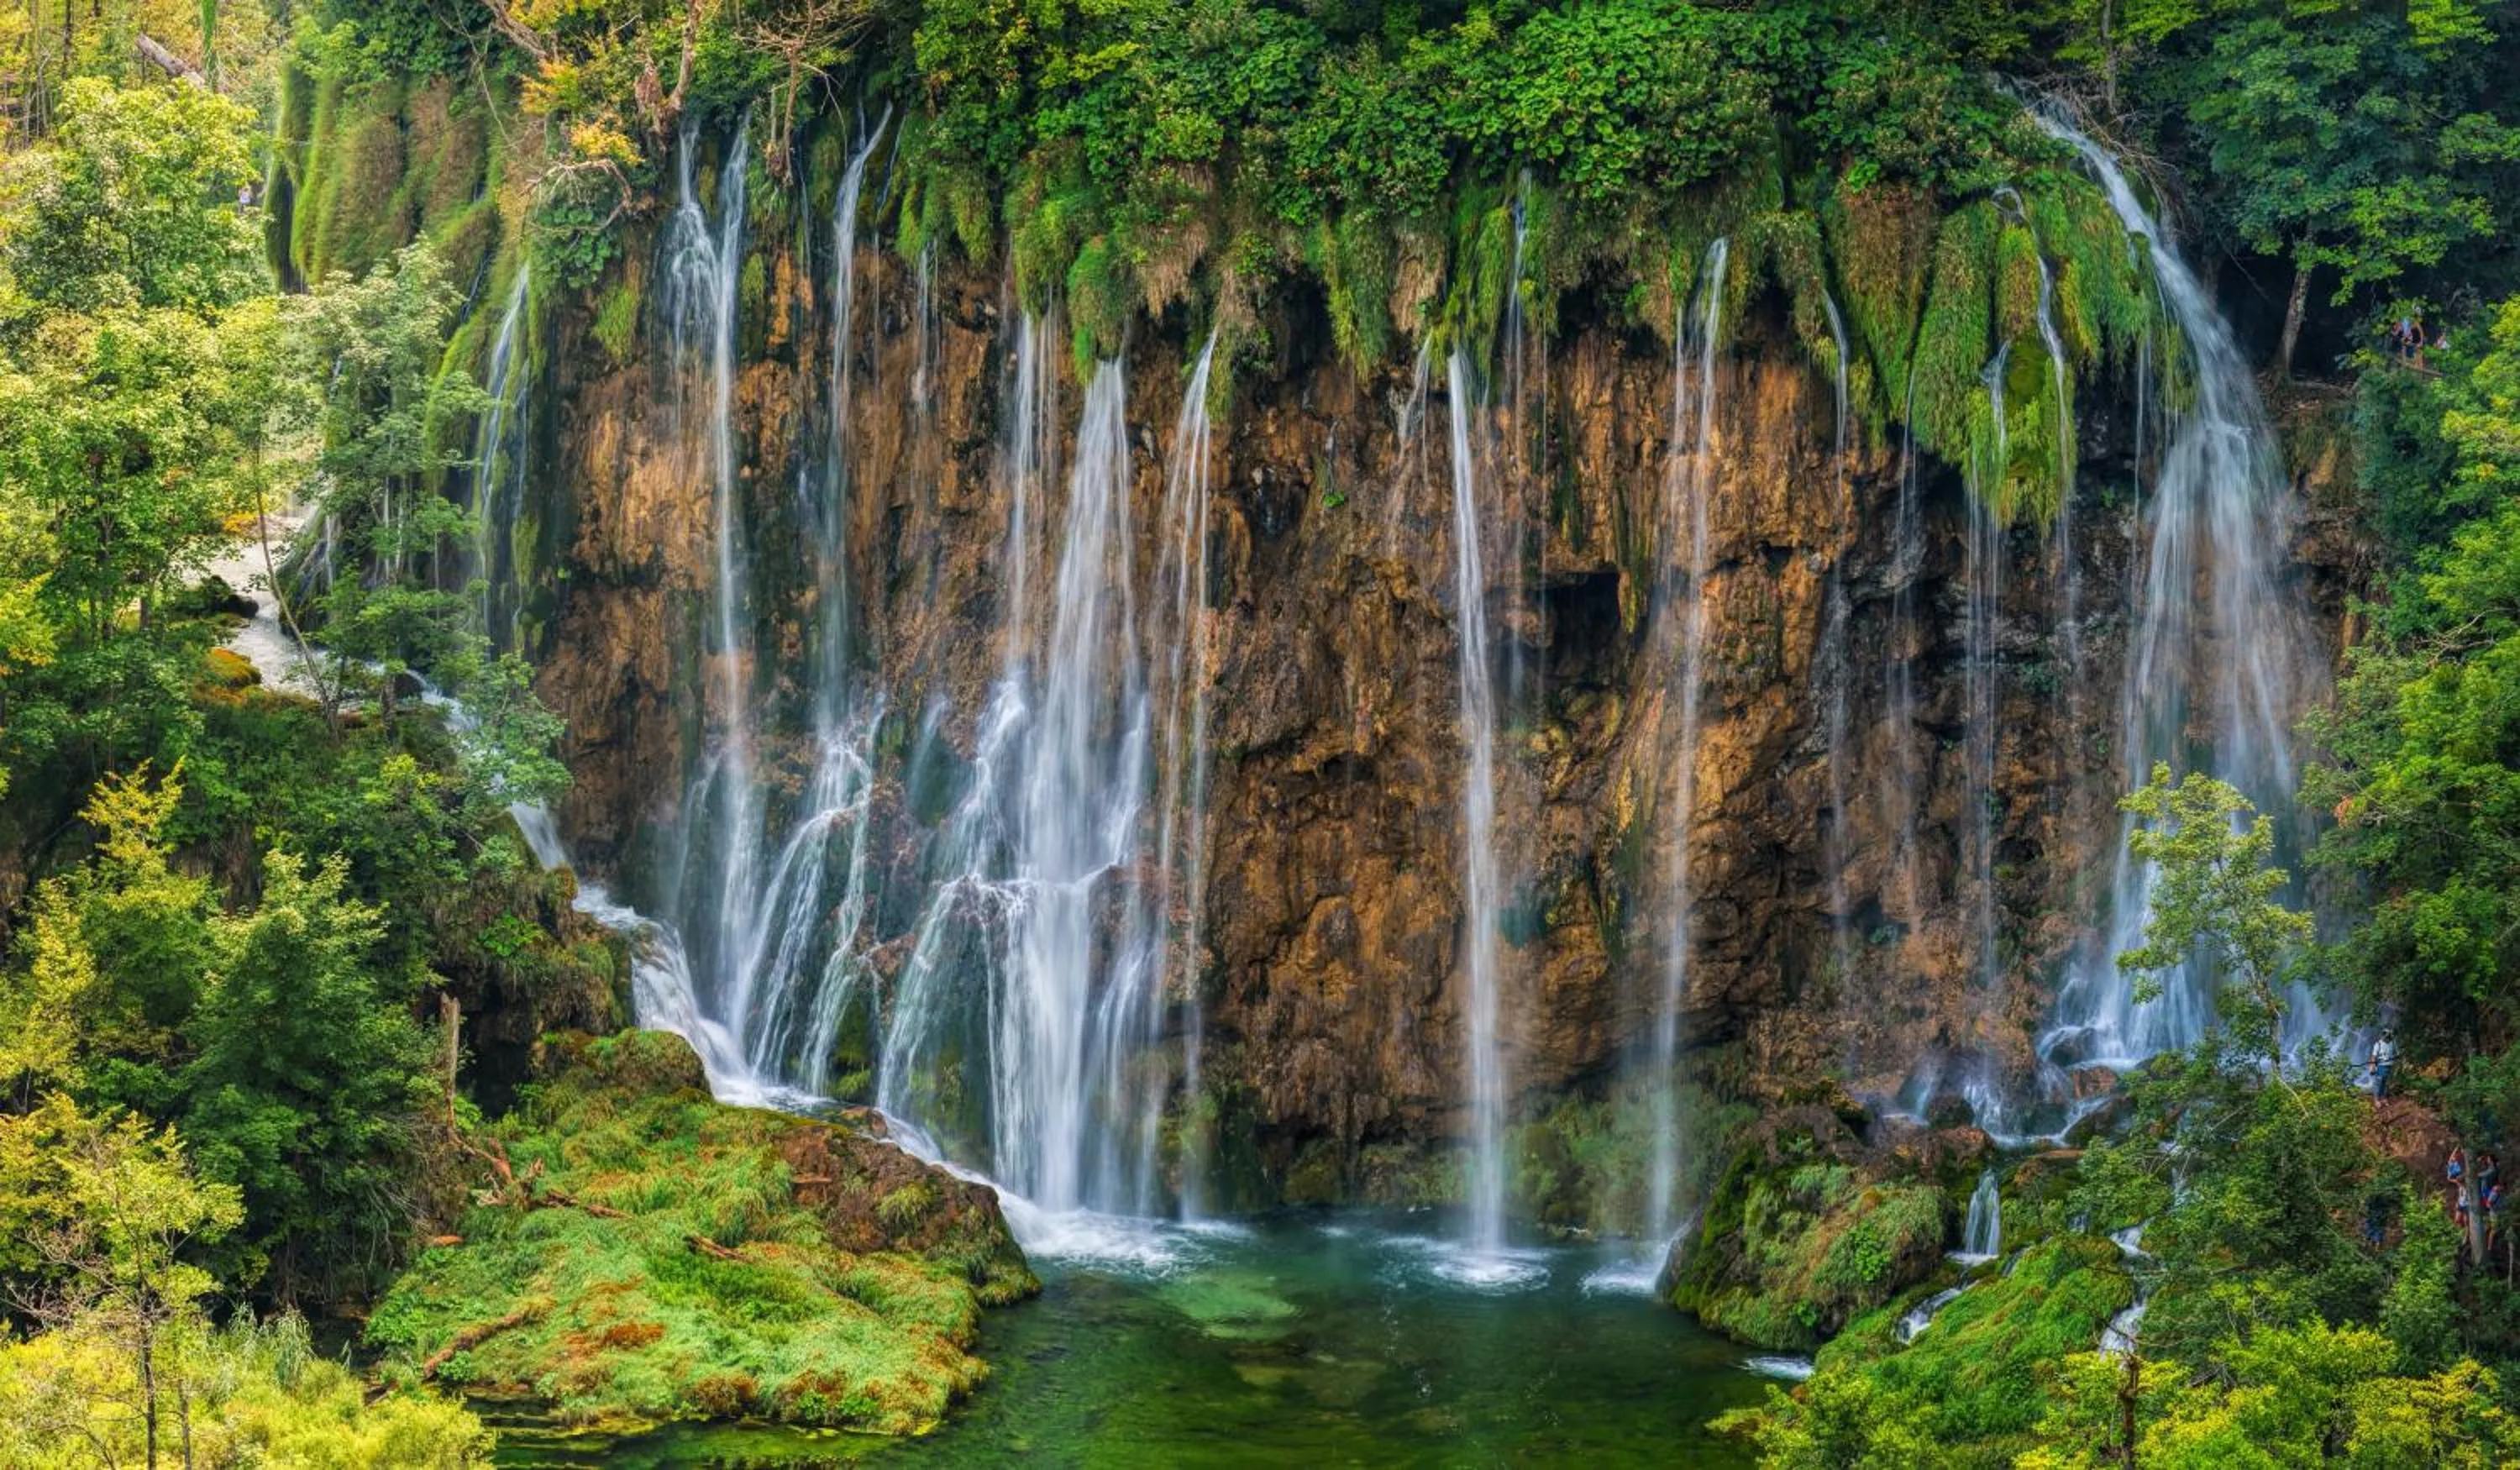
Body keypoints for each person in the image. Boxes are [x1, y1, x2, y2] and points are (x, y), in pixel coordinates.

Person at [2368, 1028, 2397, 1098]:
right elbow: (2373, 1056)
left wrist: (2394, 1057)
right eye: (2385, 1035)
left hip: (2390, 1065)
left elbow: (2396, 1053)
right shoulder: (2378, 1044)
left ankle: (2384, 1098)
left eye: (2388, 1036)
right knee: (2379, 1082)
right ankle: (2376, 1100)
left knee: (2386, 1083)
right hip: (2381, 1066)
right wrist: (2372, 1067)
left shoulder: (2392, 1043)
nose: (2387, 1037)